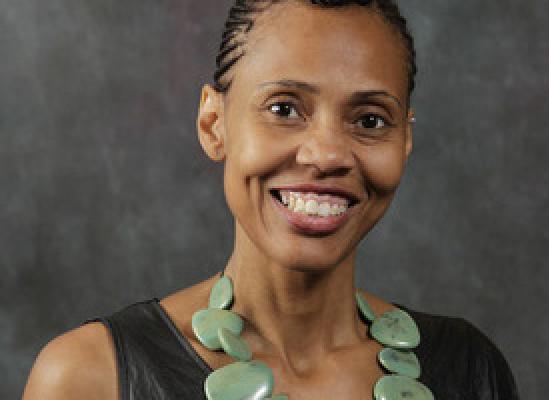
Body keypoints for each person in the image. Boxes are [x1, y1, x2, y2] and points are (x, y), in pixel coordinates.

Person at [23, 1, 520, 399]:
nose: (326, 154)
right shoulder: (91, 378)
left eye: (370, 120)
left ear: (405, 141)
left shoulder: (467, 369)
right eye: (284, 109)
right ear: (213, 124)